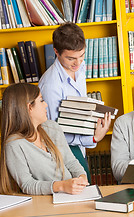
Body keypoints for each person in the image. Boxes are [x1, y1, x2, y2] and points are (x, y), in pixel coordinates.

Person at [38, 22, 111, 180]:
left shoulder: (79, 66)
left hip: (80, 145)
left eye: (81, 56)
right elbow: (55, 132)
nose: (78, 63)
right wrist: (93, 138)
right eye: (71, 58)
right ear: (56, 52)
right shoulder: (51, 85)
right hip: (63, 152)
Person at [0, 83, 89, 195]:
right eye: (41, 100)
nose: (46, 105)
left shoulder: (52, 127)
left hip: (73, 196)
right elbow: (27, 185)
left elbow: (71, 162)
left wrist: (81, 177)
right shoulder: (14, 145)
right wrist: (61, 186)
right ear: (29, 108)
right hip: (45, 204)